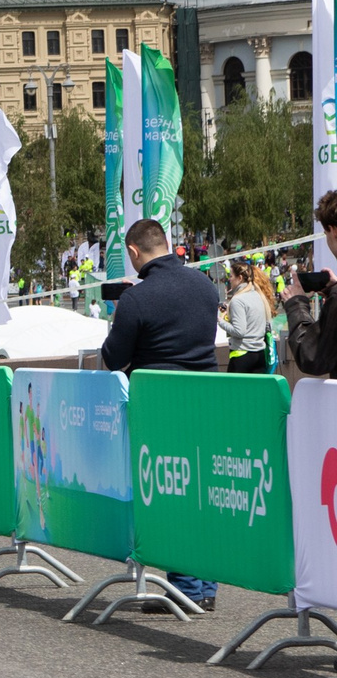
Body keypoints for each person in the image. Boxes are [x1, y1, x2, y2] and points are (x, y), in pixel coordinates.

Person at [103, 216, 225, 610]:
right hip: (206, 400)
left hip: (160, 405)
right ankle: (204, 586)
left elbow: (112, 358)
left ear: (135, 252)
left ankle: (186, 589)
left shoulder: (138, 298)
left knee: (172, 492)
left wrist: (121, 313)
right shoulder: (204, 286)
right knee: (200, 493)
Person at [223, 258, 272, 374]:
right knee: (257, 392)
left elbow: (240, 332)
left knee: (234, 392)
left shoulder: (238, 300)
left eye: (231, 276)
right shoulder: (258, 295)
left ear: (239, 278)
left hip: (241, 355)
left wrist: (220, 321)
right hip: (259, 355)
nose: (229, 279)